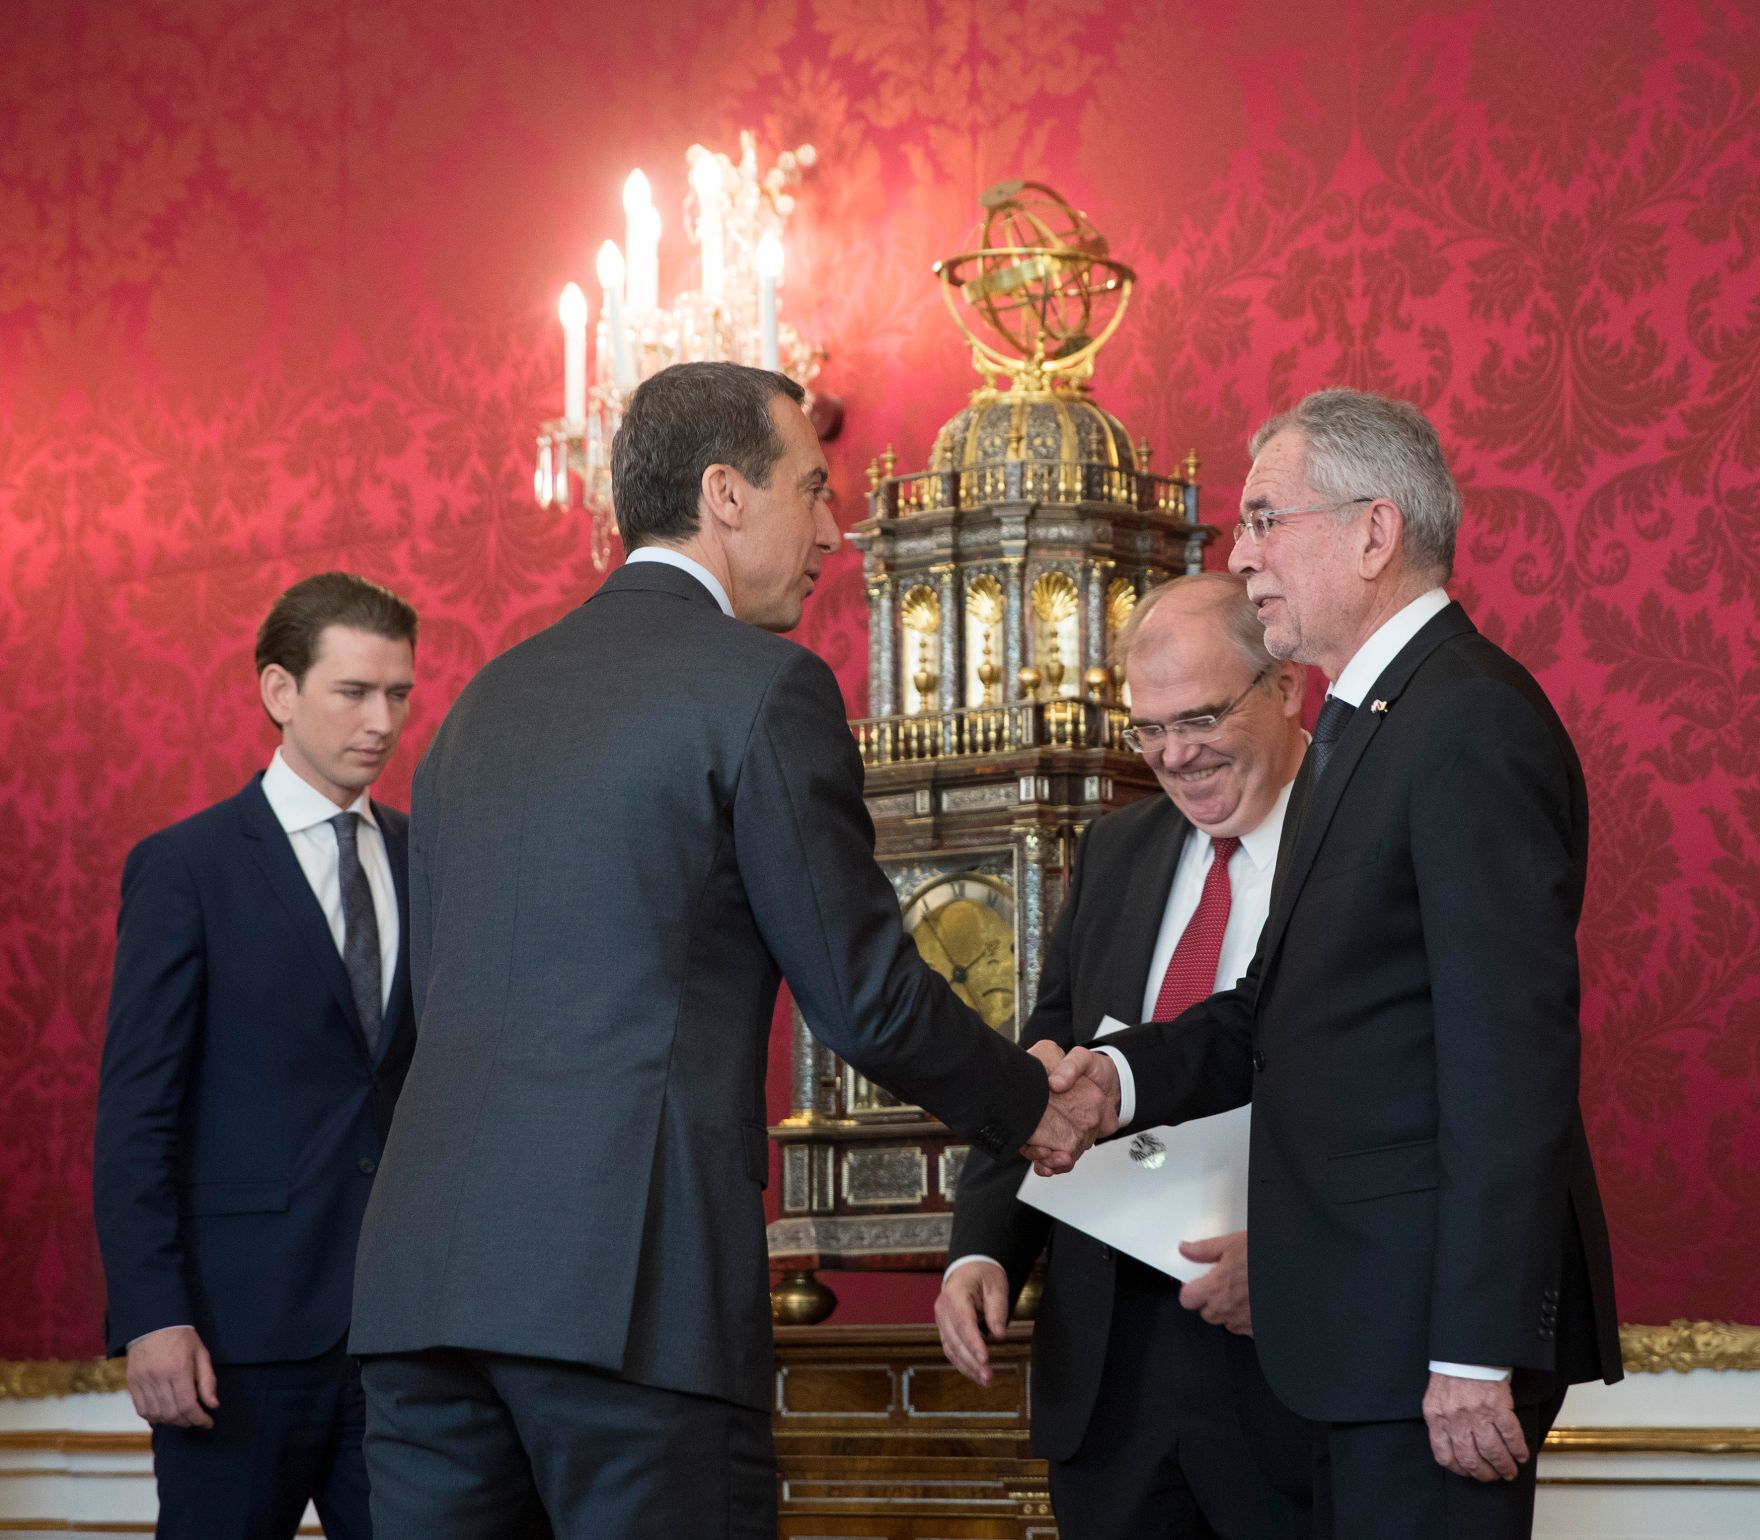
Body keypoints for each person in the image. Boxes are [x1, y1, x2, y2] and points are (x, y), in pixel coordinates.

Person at [348, 361, 1112, 1540]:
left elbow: (422, 1014)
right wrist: (1031, 1106)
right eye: (810, 488)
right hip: (629, 1294)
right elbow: (864, 999)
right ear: (725, 494)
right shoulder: (763, 689)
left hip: (419, 1292)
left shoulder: (477, 709)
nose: (833, 526)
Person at [1042, 389, 1623, 1540]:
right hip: (1358, 1343)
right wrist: (1118, 1083)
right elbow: (1274, 1006)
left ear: (1371, 531)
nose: (1238, 555)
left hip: (1422, 1349)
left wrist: (1472, 1347)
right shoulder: (1368, 728)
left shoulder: (1466, 721)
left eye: (1264, 520)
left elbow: (1506, 1057)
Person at [936, 573, 1314, 1540]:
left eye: (1199, 717)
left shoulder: (1356, 843)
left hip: (1290, 1365)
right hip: (1110, 1372)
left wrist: (1292, 1263)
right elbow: (1043, 1065)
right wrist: (984, 1247)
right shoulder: (1116, 852)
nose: (1174, 756)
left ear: (1286, 688)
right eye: (1147, 728)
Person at [93, 572, 421, 1540]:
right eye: (353, 691)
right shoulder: (186, 867)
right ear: (279, 692)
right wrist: (152, 1315)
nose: (382, 721)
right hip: (234, 1340)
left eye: (398, 693)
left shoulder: (427, 854)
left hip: (404, 1337)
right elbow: (136, 1114)